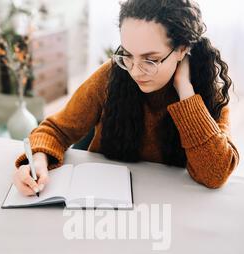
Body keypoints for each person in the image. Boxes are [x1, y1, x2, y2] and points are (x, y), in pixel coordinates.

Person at [13, 0, 240, 196]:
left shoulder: (209, 93)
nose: (135, 71)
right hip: (102, 202)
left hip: (170, 215)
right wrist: (39, 159)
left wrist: (185, 92)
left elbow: (215, 174)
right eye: (128, 55)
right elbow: (56, 129)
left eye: (150, 60)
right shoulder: (112, 76)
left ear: (182, 49)